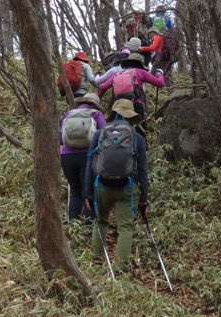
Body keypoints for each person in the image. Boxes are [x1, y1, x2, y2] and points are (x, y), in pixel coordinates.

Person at [85, 98, 149, 272]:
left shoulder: (99, 134)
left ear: (113, 114)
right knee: (125, 227)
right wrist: (144, 199)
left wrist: (88, 193)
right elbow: (142, 170)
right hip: (127, 188)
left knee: (101, 222)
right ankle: (120, 268)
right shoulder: (137, 138)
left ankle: (97, 263)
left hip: (102, 186)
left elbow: (90, 164)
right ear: (130, 117)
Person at [59, 93, 106, 223]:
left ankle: (73, 224)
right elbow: (104, 134)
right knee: (88, 192)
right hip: (88, 156)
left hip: (67, 157)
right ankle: (88, 226)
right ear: (95, 104)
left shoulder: (68, 114)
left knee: (76, 192)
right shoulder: (96, 114)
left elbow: (60, 138)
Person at [97, 53, 164, 122]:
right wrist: (160, 74)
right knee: (139, 129)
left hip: (118, 106)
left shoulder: (118, 73)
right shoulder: (141, 72)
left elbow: (103, 87)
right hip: (136, 105)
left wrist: (97, 101)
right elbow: (160, 83)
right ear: (140, 64)